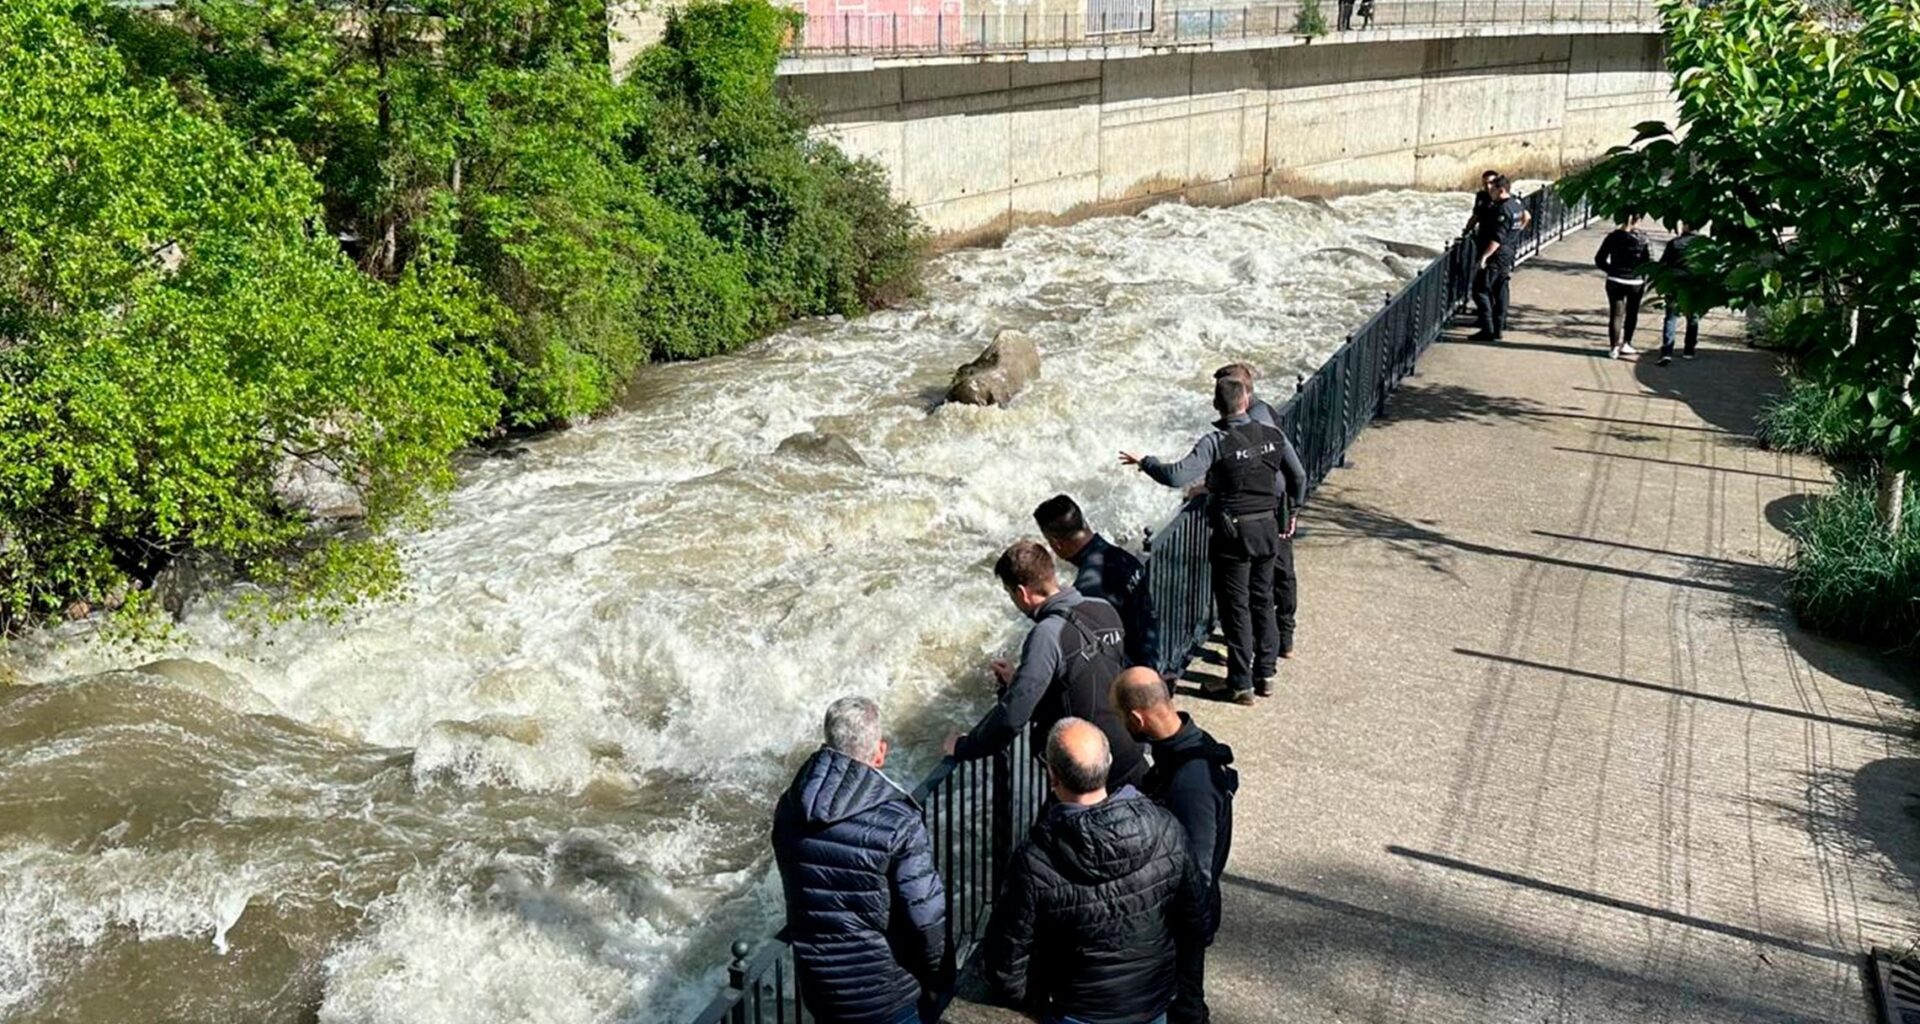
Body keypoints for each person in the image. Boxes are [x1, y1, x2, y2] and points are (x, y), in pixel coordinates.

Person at [983, 718, 1207, 1024]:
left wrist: (1034, 1001)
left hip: (1077, 1009)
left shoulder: (1035, 859)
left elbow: (1007, 959)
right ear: (1109, 761)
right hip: (1153, 1000)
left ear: (1052, 775)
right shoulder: (1165, 827)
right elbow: (1196, 919)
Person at [773, 697, 951, 1024]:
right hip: (886, 994)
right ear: (880, 752)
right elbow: (926, 919)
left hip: (820, 990)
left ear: (828, 742)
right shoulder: (898, 823)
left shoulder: (789, 808)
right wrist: (939, 979)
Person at [1121, 375, 1290, 704]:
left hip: (1234, 536)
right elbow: (1277, 480)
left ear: (1217, 405)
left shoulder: (1216, 442)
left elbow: (1177, 476)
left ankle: (1240, 684)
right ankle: (1265, 673)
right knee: (1262, 599)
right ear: (1246, 401)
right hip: (1268, 528)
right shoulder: (1273, 435)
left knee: (1236, 609)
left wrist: (1145, 462)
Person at [944, 540, 1147, 791]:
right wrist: (1021, 679)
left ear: (1022, 592)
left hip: (1090, 774)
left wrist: (964, 746)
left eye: (1010, 594)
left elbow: (1012, 717)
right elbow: (1090, 673)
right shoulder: (1102, 608)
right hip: (1131, 753)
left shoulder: (1046, 635)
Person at [1111, 668, 1236, 1024]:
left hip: (1183, 919)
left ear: (1137, 718)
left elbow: (1198, 869)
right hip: (1183, 911)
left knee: (1185, 1006)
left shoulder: (1190, 780)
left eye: (1122, 719)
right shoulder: (1189, 745)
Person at [1217, 363, 1307, 660]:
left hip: (1269, 508)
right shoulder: (1266, 412)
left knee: (1271, 582)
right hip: (1273, 506)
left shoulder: (1258, 423)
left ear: (1240, 392)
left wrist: (1292, 511)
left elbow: (1297, 473)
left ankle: (1273, 643)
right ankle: (1279, 642)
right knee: (1277, 578)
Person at [1034, 494, 1159, 672]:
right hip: (1148, 663)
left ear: (1056, 543)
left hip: (1127, 682)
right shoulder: (1124, 559)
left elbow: (1092, 655)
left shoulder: (1089, 588)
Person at [1466, 174, 1523, 342]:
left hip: (1497, 254)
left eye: (1492, 189)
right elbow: (1526, 218)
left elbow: (1497, 239)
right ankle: (1498, 327)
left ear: (1501, 190)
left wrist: (1484, 257)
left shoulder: (1503, 209)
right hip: (1508, 251)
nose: (1489, 192)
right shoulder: (1516, 204)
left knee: (1480, 290)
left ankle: (1488, 329)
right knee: (1501, 287)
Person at [1593, 214, 1651, 359]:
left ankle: (1613, 348)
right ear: (1638, 220)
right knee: (1632, 313)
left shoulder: (1612, 237)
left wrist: (1611, 269)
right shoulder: (1643, 239)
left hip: (1615, 279)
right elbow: (1648, 261)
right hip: (1635, 281)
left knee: (1616, 314)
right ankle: (1627, 343)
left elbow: (1599, 259)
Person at [1658, 221, 1707, 366]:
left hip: (1675, 283)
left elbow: (1663, 264)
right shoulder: (1704, 245)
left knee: (1671, 317)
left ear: (1686, 226)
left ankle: (1667, 351)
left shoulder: (1674, 243)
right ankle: (1689, 350)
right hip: (1695, 284)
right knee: (1693, 317)